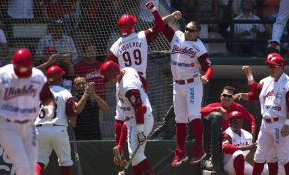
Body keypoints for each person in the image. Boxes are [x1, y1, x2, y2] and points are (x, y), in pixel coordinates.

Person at [107, 1, 164, 167]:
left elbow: (109, 66)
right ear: (133, 25)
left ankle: (119, 144)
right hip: (139, 81)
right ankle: (135, 137)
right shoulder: (141, 35)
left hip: (122, 80)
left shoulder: (116, 45)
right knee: (137, 112)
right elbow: (160, 26)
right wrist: (154, 10)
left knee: (123, 115)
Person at [161, 11, 213, 167]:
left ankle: (199, 149)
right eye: (186, 28)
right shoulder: (177, 36)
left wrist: (206, 77)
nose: (187, 31)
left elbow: (209, 67)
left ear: (198, 32)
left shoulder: (199, 47)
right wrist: (171, 17)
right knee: (180, 119)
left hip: (192, 84)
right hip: (177, 84)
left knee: (193, 115)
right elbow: (160, 24)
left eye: (191, 30)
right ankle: (180, 152)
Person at [0, 48, 55, 175]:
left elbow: (47, 97)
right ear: (13, 63)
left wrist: (49, 108)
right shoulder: (0, 75)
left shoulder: (37, 77)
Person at [235, 52, 289, 175]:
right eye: (268, 66)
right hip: (265, 124)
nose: (270, 69)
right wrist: (249, 76)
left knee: (284, 157)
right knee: (261, 156)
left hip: (279, 124)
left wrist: (286, 124)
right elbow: (255, 92)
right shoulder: (266, 81)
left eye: (272, 66)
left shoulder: (288, 84)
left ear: (280, 67)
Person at [99, 61, 154, 175]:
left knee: (137, 155)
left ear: (114, 74)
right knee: (134, 157)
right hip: (133, 119)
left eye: (109, 78)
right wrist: (119, 144)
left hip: (141, 119)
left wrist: (140, 131)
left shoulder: (128, 86)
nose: (108, 82)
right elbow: (126, 119)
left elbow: (139, 108)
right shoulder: (127, 70)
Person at [200, 85, 256, 172]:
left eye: (229, 96)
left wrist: (253, 134)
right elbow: (200, 111)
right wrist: (218, 109)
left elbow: (251, 118)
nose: (226, 98)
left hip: (234, 140)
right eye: (224, 95)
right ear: (220, 96)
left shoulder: (238, 107)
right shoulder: (216, 105)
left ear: (233, 98)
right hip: (218, 142)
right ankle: (210, 158)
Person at [35, 65, 77, 175]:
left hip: (39, 129)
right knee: (65, 161)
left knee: (39, 160)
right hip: (59, 129)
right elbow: (72, 114)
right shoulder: (65, 92)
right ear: (60, 78)